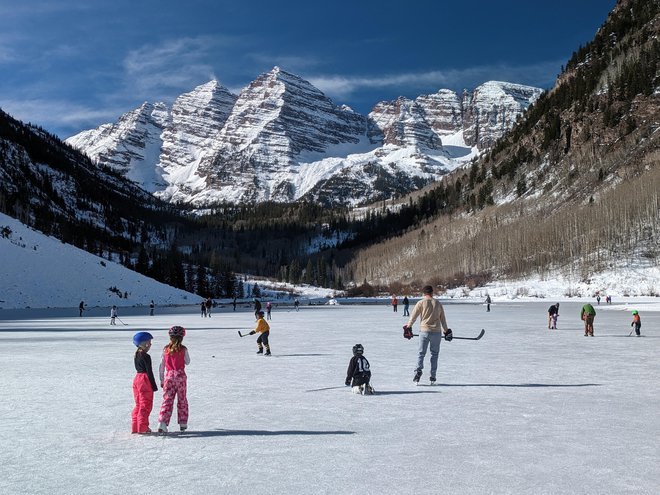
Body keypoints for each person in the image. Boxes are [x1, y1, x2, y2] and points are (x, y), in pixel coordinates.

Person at [403, 285, 451, 384]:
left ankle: (418, 371)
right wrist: (446, 331)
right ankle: (433, 376)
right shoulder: (437, 303)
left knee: (421, 354)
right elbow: (443, 320)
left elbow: (413, 317)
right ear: (432, 293)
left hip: (424, 331)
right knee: (434, 354)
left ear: (424, 293)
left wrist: (408, 327)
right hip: (436, 332)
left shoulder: (420, 303)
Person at [157, 325, 190, 433]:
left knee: (167, 400)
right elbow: (187, 361)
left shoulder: (165, 349)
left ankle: (162, 423)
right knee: (182, 400)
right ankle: (183, 422)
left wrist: (162, 380)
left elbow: (161, 365)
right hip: (180, 378)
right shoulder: (183, 349)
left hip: (169, 378)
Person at [132, 332, 158, 434]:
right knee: (145, 404)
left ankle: (135, 426)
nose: (150, 344)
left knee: (138, 403)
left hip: (137, 379)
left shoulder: (136, 354)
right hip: (145, 380)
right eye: (149, 342)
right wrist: (154, 386)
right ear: (144, 344)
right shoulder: (146, 356)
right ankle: (142, 427)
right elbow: (149, 372)